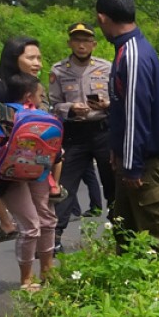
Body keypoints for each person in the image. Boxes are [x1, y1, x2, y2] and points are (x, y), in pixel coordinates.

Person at [95, 0, 159, 248]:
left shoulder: (133, 54)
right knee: (125, 230)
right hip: (133, 158)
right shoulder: (127, 49)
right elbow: (122, 107)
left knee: (153, 237)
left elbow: (136, 113)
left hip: (145, 162)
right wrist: (117, 149)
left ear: (102, 18)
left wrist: (132, 165)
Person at [0, 73, 61, 290]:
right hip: (26, 174)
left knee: (42, 222)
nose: (42, 99)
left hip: (15, 172)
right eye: (40, 95)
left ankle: (43, 272)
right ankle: (28, 278)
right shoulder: (37, 115)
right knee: (35, 224)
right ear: (29, 97)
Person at [48, 21, 112, 251]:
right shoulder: (59, 70)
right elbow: (53, 104)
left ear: (94, 44)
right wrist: (71, 108)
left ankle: (121, 231)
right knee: (65, 185)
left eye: (86, 40)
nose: (81, 45)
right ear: (70, 43)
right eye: (77, 40)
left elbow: (118, 99)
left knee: (112, 181)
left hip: (102, 130)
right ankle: (55, 238)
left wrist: (106, 104)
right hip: (74, 132)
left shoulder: (107, 67)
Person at [0, 37, 45, 244]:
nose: (37, 64)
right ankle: (8, 227)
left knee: (45, 218)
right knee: (30, 223)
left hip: (35, 162)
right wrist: (11, 145)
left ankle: (46, 258)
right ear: (13, 59)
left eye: (39, 58)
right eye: (31, 58)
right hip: (7, 165)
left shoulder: (33, 86)